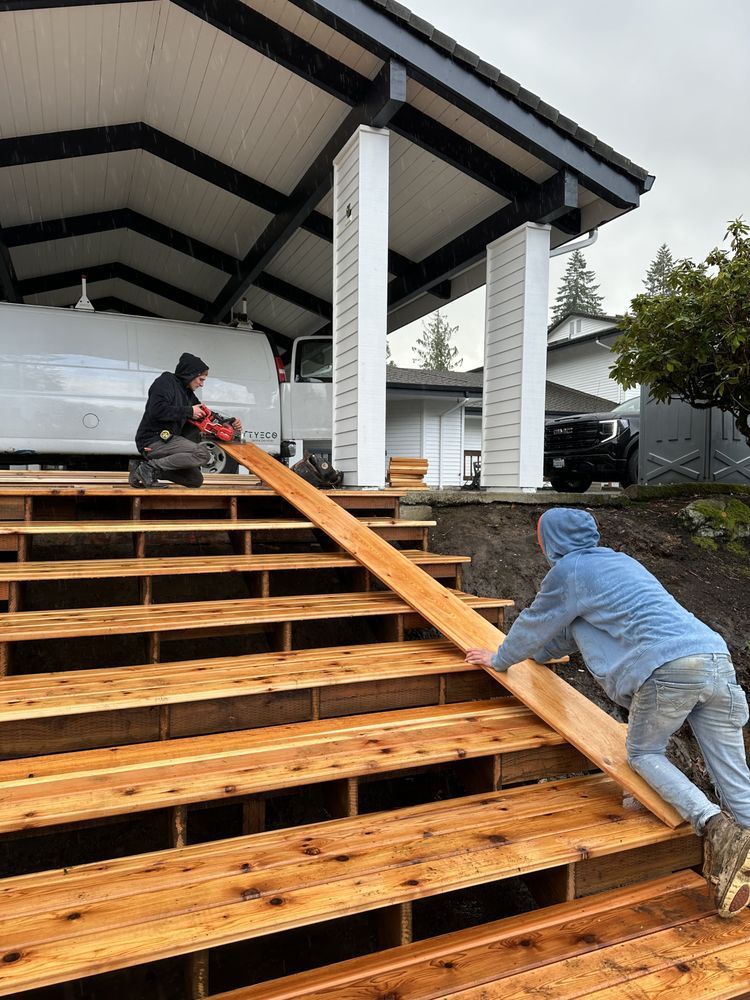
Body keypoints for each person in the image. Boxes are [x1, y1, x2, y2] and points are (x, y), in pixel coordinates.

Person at [465, 507, 750, 918]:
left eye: (541, 536)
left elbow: (534, 622)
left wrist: (500, 659)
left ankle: (714, 827)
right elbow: (558, 634)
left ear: (551, 540)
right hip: (714, 658)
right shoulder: (618, 563)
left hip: (668, 669)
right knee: (733, 773)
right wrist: (538, 657)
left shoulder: (570, 572)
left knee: (644, 754)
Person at [129, 352, 242, 488]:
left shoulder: (187, 393)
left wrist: (227, 422)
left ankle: (140, 469)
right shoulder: (165, 382)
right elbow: (156, 410)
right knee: (202, 454)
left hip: (169, 440)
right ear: (190, 374)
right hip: (153, 439)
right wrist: (189, 411)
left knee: (195, 480)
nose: (202, 385)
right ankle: (150, 468)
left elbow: (206, 414)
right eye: (201, 380)